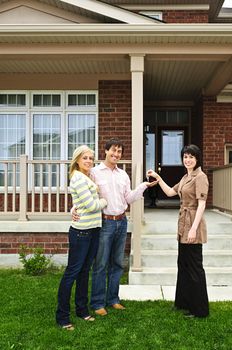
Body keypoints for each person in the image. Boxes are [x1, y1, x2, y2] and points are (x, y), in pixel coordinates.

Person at [72, 138, 157, 316]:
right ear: (106, 151)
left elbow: (128, 198)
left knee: (117, 264)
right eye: (113, 150)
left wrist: (143, 186)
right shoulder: (93, 173)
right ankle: (97, 303)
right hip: (104, 222)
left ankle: (113, 299)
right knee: (101, 264)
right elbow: (80, 193)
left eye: (119, 152)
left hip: (121, 221)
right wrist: (73, 208)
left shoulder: (123, 175)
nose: (116, 154)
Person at [147, 144, 209, 318]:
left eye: (191, 157)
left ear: (197, 159)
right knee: (183, 265)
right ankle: (183, 302)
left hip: (193, 224)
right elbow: (169, 192)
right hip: (183, 224)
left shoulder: (200, 177)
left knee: (194, 268)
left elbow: (202, 205)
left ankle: (200, 310)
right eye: (185, 157)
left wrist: (193, 230)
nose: (187, 160)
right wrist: (158, 178)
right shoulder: (185, 177)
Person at [56, 145, 107, 330]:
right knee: (72, 272)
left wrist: (77, 207)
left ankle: (82, 310)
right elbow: (92, 205)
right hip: (81, 233)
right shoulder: (78, 178)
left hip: (93, 229)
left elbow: (81, 204)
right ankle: (62, 317)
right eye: (85, 158)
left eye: (91, 158)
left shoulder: (88, 176)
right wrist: (104, 201)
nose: (89, 161)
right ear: (77, 160)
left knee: (85, 271)